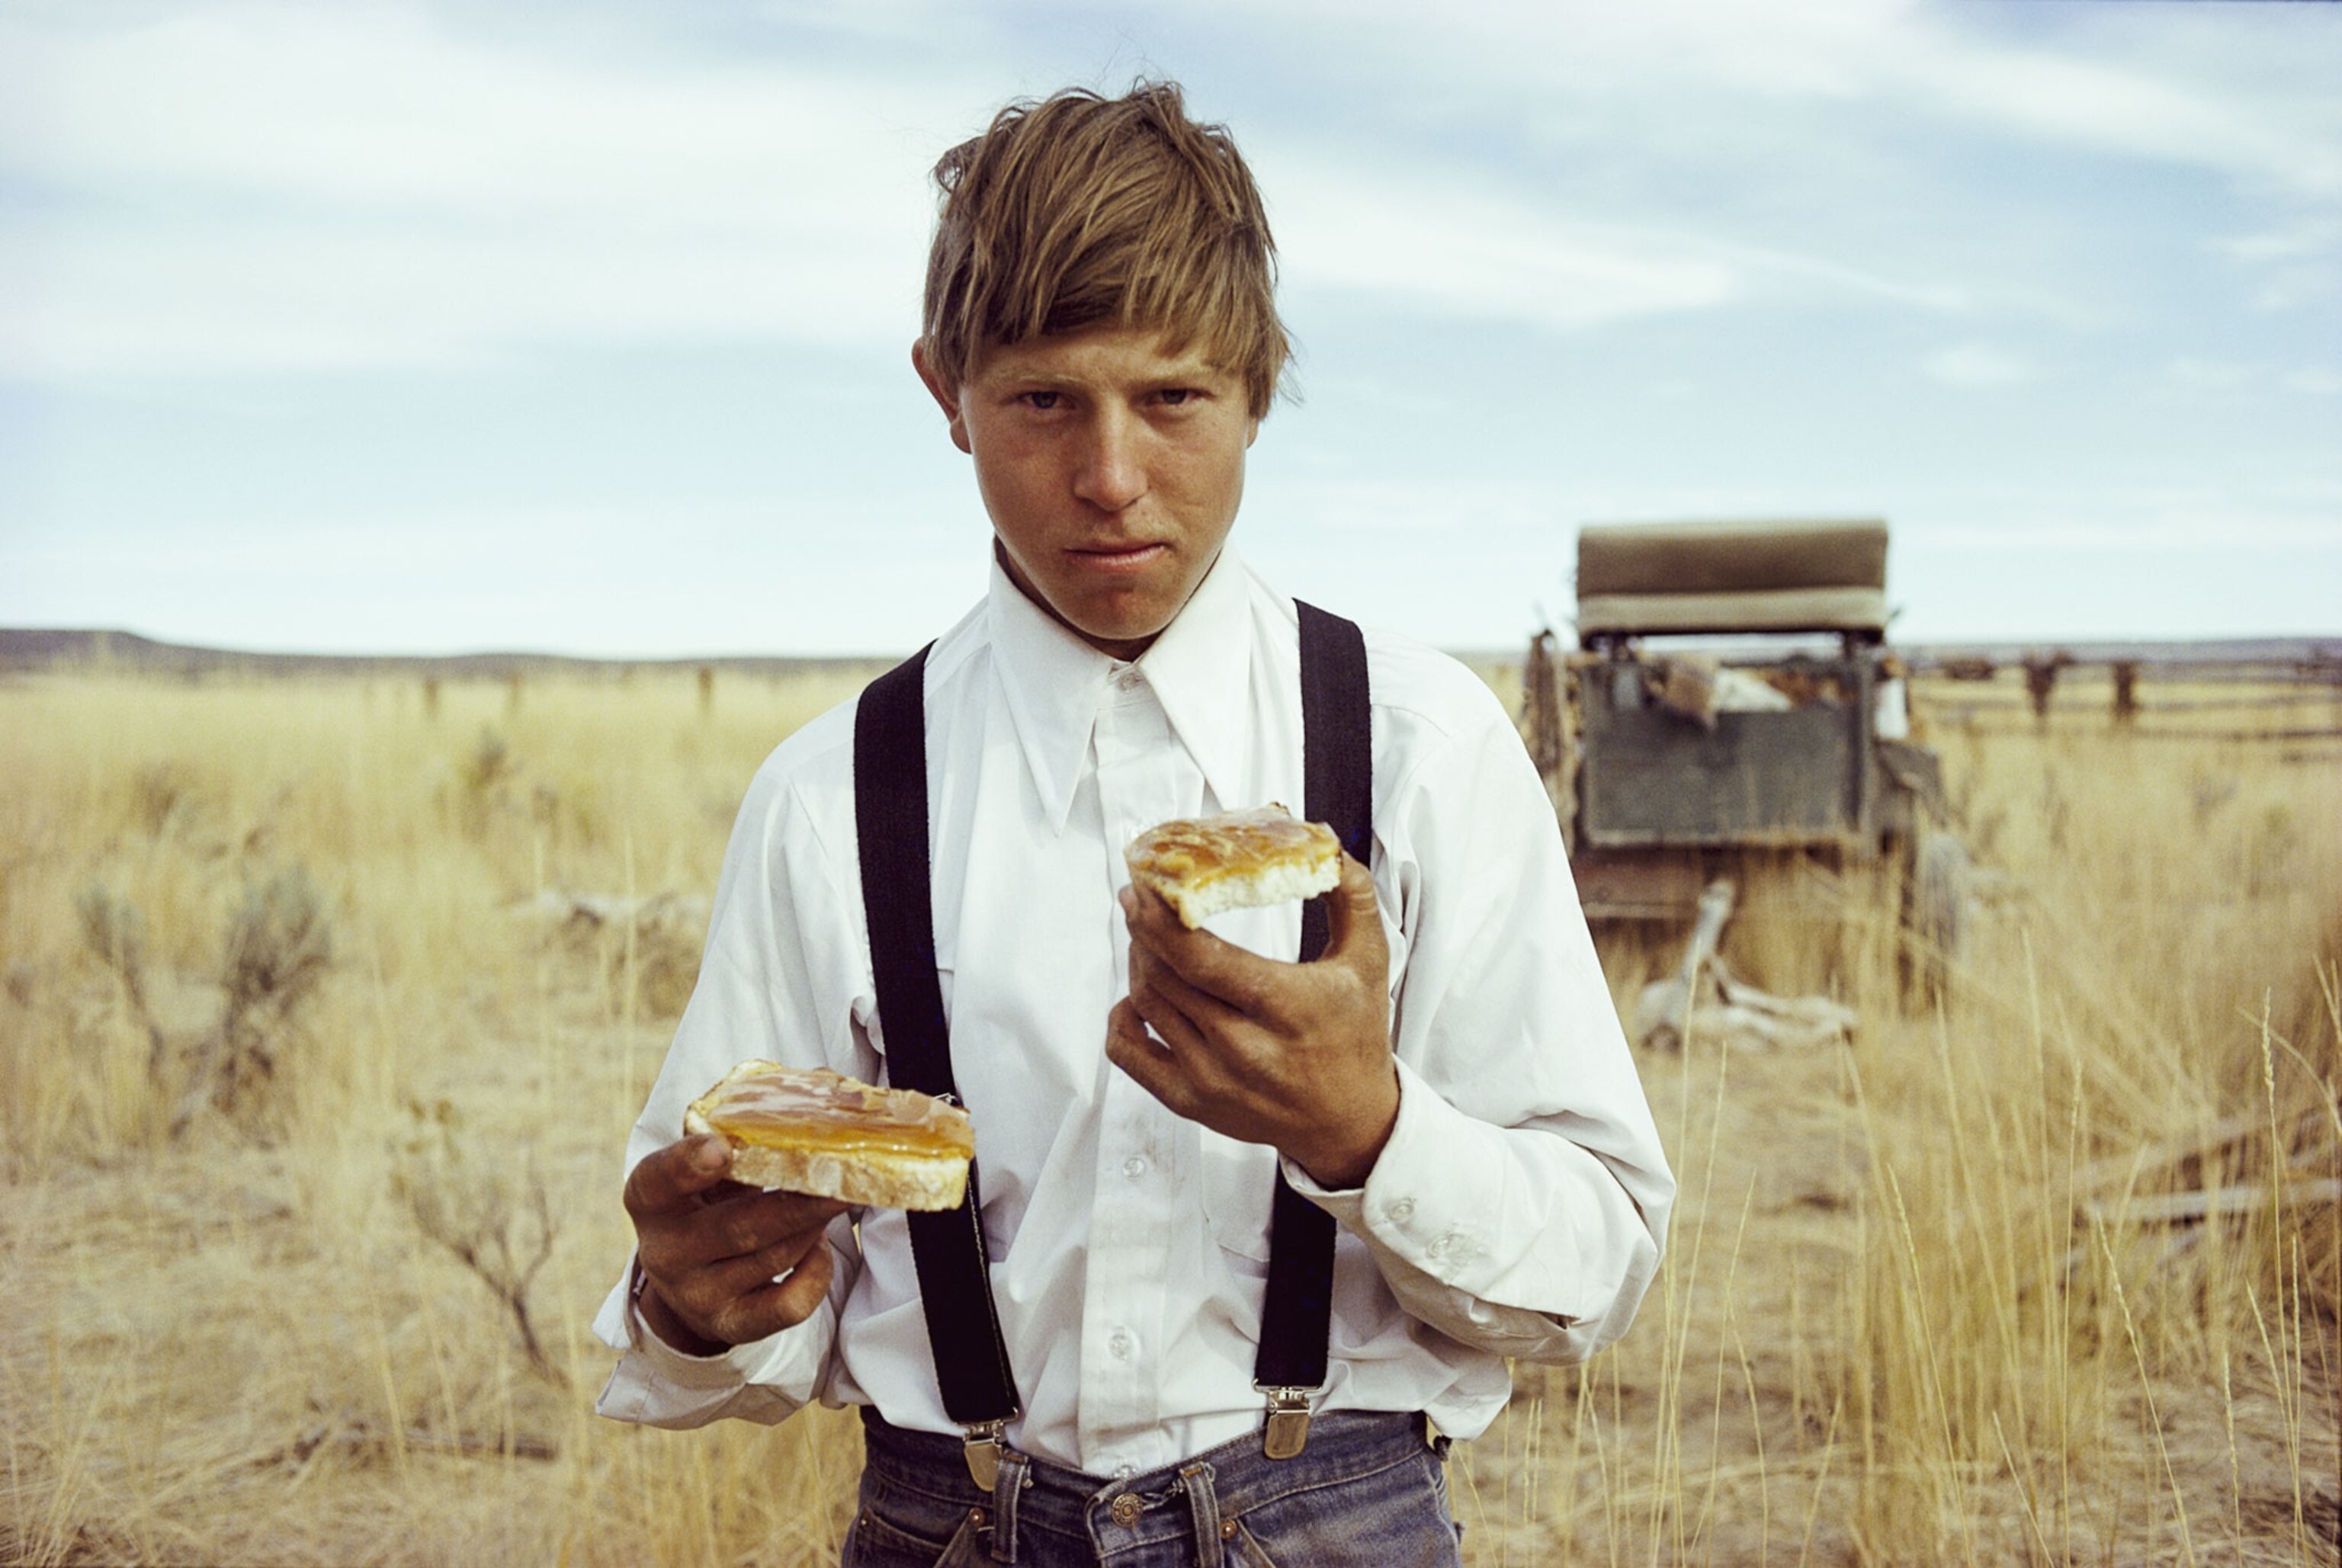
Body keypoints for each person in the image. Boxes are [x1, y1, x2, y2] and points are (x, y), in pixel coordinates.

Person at [593, 81, 1673, 1566]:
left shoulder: (1418, 748)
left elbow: (1598, 1264)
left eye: (1172, 398)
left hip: (1332, 1514)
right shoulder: (834, 797)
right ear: (945, 387)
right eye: (1044, 401)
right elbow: (747, 1305)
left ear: (1257, 386)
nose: (1110, 478)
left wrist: (1372, 1134)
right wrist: (691, 1306)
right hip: (950, 1520)